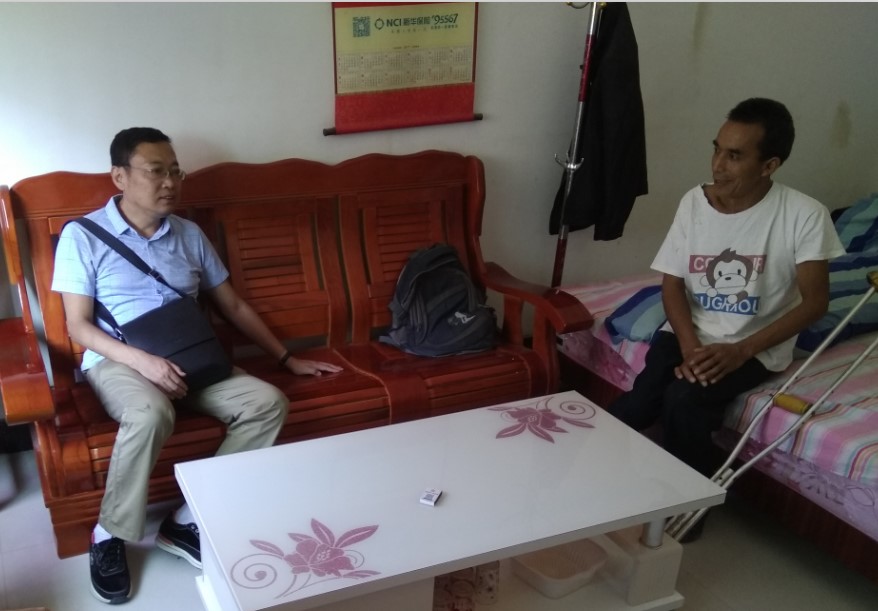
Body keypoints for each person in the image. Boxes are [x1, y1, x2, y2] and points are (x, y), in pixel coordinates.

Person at [51, 127, 343, 604]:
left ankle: (185, 519)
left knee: (267, 403)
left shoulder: (189, 234)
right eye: (155, 171)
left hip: (191, 358)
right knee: (151, 413)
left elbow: (234, 306)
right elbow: (78, 327)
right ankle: (109, 535)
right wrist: (144, 363)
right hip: (119, 360)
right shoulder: (83, 236)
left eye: (175, 171)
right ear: (119, 176)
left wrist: (287, 358)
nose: (170, 182)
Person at [608, 98, 845, 535]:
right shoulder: (694, 202)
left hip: (753, 345)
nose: (718, 165)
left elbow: (815, 303)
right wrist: (689, 347)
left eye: (735, 156)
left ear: (769, 165)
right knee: (640, 402)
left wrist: (740, 351)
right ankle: (587, 475)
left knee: (684, 401)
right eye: (717, 149)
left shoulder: (804, 215)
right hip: (689, 334)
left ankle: (687, 510)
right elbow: (673, 284)